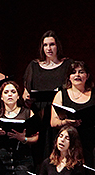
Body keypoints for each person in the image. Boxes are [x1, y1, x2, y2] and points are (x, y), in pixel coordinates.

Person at [22, 30, 74, 165]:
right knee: (40, 152)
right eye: (45, 45)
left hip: (59, 114)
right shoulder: (33, 66)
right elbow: (25, 92)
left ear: (58, 46)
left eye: (52, 44)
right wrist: (27, 99)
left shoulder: (67, 65)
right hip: (39, 115)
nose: (49, 48)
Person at [51, 61, 95, 160]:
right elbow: (53, 122)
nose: (77, 75)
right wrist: (66, 122)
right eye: (73, 72)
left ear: (87, 76)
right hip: (69, 143)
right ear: (69, 77)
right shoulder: (61, 95)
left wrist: (90, 121)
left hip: (91, 140)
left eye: (81, 72)